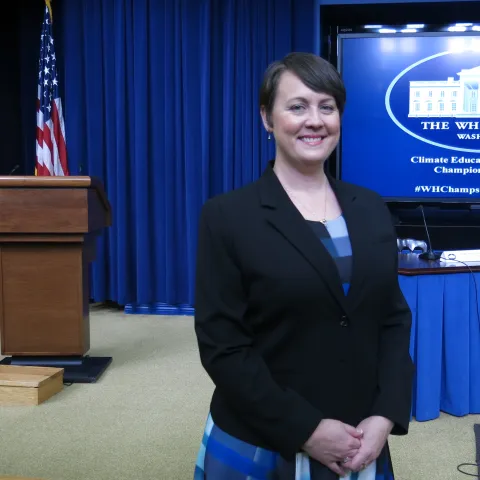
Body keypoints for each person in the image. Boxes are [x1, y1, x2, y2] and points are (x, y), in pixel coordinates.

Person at [193, 52, 413, 480]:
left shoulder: (370, 207)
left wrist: (386, 415)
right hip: (262, 437)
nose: (315, 120)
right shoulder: (227, 216)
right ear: (267, 118)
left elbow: (392, 319)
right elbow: (224, 348)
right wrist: (306, 429)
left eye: (326, 107)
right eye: (297, 106)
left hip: (359, 435)